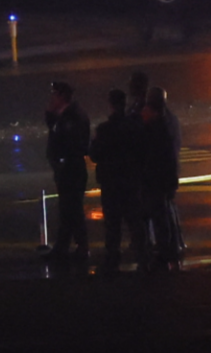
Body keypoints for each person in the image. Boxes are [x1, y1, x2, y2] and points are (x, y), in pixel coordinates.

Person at [87, 88, 139, 272]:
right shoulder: (133, 127)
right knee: (133, 220)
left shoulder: (104, 129)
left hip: (110, 182)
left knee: (112, 223)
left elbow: (94, 154)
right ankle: (142, 254)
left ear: (110, 105)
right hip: (130, 180)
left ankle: (112, 257)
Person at [43, 80, 90, 260]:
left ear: (62, 97)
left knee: (72, 209)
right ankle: (67, 247)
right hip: (67, 168)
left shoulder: (73, 117)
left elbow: (68, 142)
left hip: (71, 169)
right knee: (68, 209)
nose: (52, 98)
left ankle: (78, 247)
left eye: (55, 95)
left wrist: (61, 162)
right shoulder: (65, 116)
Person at [140, 86, 181, 270]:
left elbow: (156, 156)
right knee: (165, 215)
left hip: (158, 179)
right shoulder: (168, 122)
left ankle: (164, 252)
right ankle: (170, 249)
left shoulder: (157, 129)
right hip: (164, 178)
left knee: (160, 217)